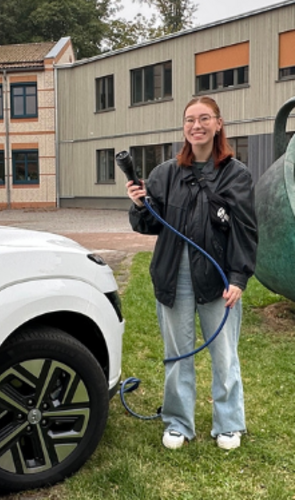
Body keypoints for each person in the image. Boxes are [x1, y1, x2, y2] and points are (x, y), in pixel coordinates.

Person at [126, 96, 257, 450]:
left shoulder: (236, 174)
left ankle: (228, 422)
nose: (195, 126)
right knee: (178, 352)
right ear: (183, 127)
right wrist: (140, 205)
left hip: (218, 276)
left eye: (203, 119)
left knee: (224, 352)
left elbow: (245, 230)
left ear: (218, 124)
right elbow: (151, 225)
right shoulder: (165, 173)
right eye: (189, 120)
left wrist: (239, 277)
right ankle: (178, 422)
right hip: (174, 274)